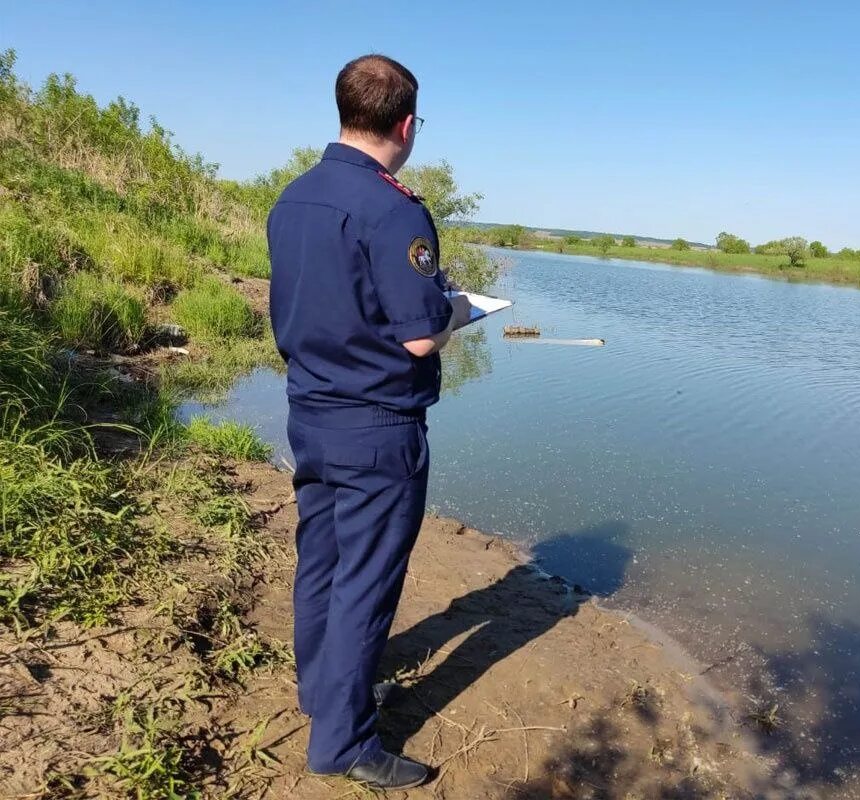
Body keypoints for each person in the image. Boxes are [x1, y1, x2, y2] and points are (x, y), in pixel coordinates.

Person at [267, 54, 471, 790]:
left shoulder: (294, 197)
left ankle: (322, 696)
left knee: (319, 561)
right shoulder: (396, 211)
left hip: (309, 412)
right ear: (407, 124)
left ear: (344, 109)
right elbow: (420, 335)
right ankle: (344, 744)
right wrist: (454, 310)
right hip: (377, 424)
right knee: (366, 581)